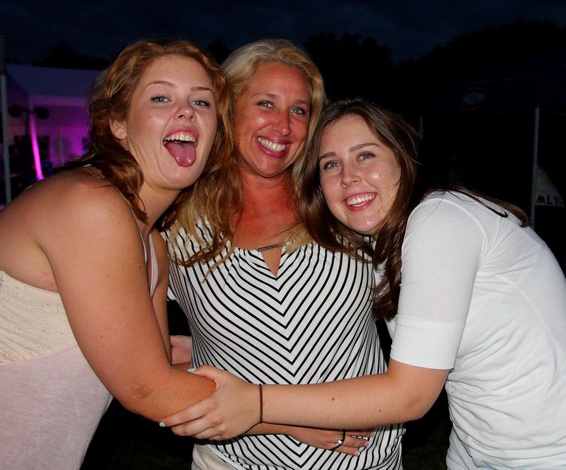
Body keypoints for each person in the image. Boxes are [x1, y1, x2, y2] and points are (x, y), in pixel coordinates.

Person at [163, 98, 566, 469]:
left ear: (403, 158)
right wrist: (208, 346)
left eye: (365, 155)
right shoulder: (385, 243)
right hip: (477, 446)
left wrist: (258, 404)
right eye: (330, 165)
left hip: (549, 450)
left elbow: (409, 395)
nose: (349, 177)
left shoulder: (441, 221)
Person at [0, 38, 233, 470]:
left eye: (201, 101)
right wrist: (289, 416)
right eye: (161, 97)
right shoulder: (89, 205)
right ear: (118, 124)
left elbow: (154, 364)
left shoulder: (152, 245)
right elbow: (150, 391)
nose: (186, 111)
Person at [163, 40, 404, 469]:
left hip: (365, 459)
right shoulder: (176, 227)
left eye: (299, 110)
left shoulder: (344, 207)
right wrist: (276, 418)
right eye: (266, 104)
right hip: (235, 461)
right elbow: (145, 375)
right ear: (228, 108)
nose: (283, 126)